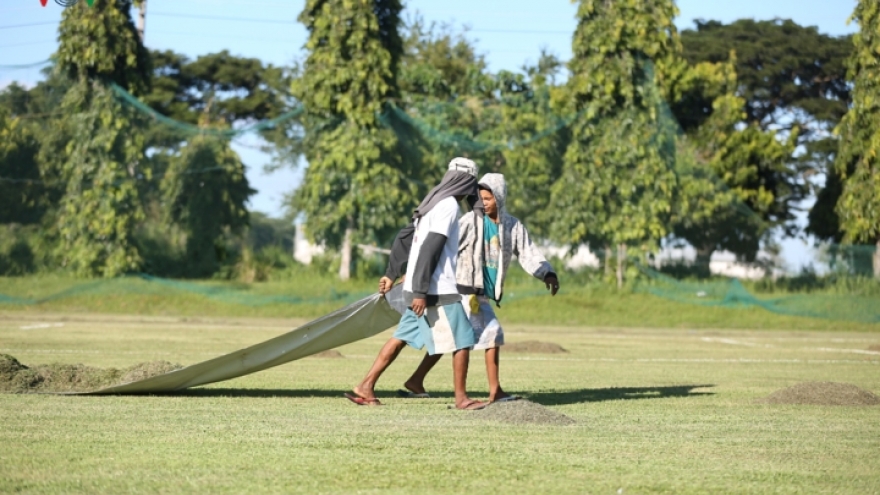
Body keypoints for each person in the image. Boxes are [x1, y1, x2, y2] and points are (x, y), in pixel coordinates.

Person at [397, 173, 560, 402]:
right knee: (491, 334)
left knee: (452, 341)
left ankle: (416, 380)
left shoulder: (512, 226)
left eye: (488, 198)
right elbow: (439, 249)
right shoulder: (468, 222)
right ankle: (494, 391)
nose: (483, 203)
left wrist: (547, 273)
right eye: (480, 198)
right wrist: (416, 276)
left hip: (481, 295)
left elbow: (528, 253)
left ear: (499, 198)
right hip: (462, 291)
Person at [346, 157, 487, 410]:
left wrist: (391, 273)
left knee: (400, 337)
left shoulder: (431, 204)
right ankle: (462, 399)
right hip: (435, 288)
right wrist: (422, 291)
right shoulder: (448, 206)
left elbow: (404, 237)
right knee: (463, 339)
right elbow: (429, 249)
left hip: (416, 285)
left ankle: (366, 386)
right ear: (466, 183)